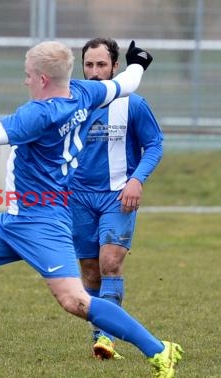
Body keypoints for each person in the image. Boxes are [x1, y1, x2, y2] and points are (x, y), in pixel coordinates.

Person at [0, 41, 182, 378]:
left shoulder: (42, 114)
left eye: (27, 75)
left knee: (75, 301)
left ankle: (159, 351)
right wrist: (138, 63)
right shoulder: (84, 92)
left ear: (43, 78)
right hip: (15, 218)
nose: (25, 81)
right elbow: (126, 84)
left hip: (41, 222)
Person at [70, 37, 164, 360]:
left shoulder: (133, 104)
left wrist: (137, 179)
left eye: (101, 65)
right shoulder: (72, 101)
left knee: (110, 263)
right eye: (89, 64)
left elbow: (154, 145)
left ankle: (106, 339)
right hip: (77, 197)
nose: (94, 72)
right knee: (90, 270)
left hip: (118, 195)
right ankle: (100, 334)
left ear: (115, 67)